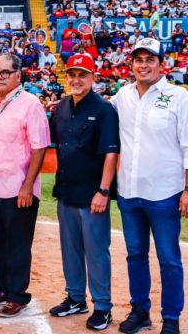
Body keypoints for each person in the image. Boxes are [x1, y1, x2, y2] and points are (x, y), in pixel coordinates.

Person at [111, 39, 188, 334]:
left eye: (150, 59)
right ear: (131, 64)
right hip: (129, 191)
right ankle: (140, 311)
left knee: (168, 258)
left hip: (165, 193)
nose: (143, 65)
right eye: (138, 59)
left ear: (161, 64)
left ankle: (171, 318)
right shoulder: (122, 95)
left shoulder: (178, 96)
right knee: (135, 255)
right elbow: (97, 111)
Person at [0, 53, 50, 318]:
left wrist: (28, 186)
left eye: (6, 72)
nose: (0, 77)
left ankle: (18, 295)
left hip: (19, 186)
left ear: (19, 75)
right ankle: (3, 289)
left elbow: (40, 148)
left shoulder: (30, 104)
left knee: (18, 243)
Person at [48, 54, 119, 331]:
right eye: (72, 75)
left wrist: (104, 191)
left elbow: (111, 154)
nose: (76, 80)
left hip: (93, 194)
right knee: (70, 249)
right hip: (66, 190)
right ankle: (76, 298)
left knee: (96, 251)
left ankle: (103, 306)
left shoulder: (103, 109)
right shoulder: (61, 107)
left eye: (83, 75)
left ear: (93, 78)